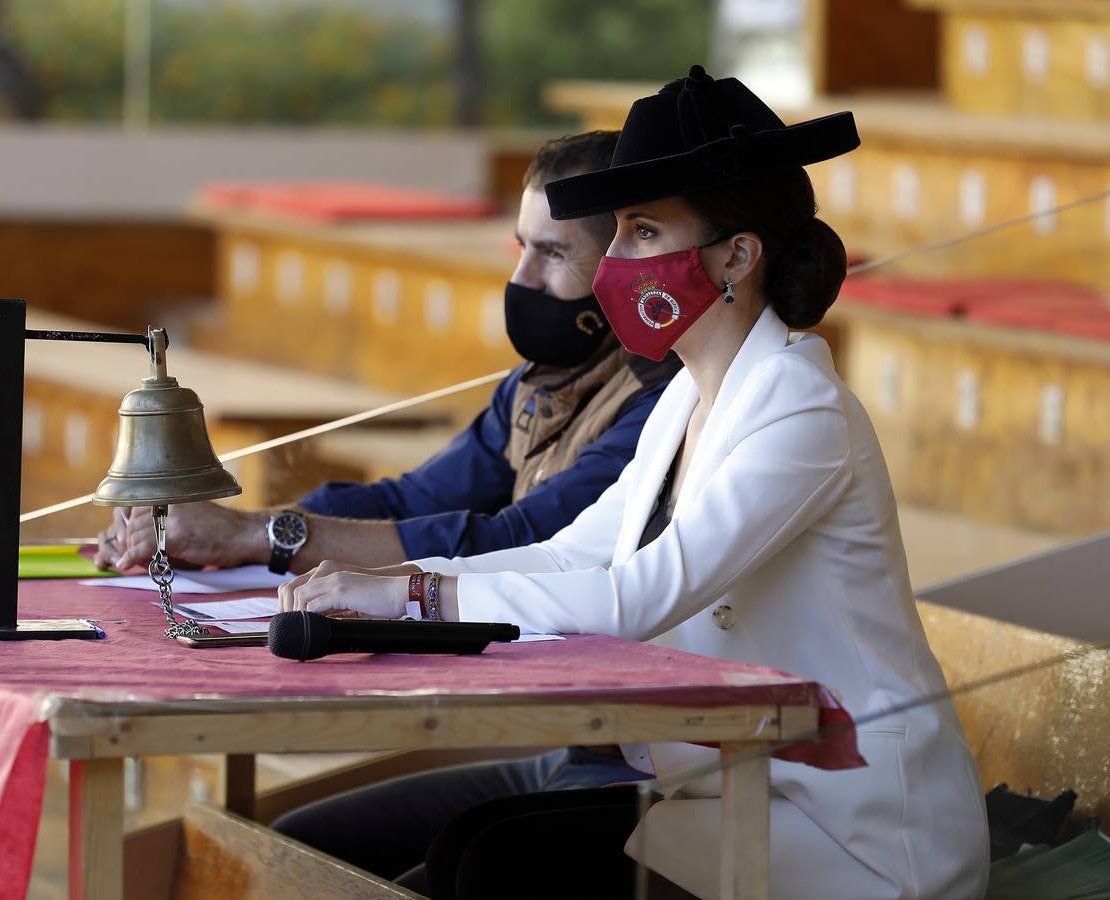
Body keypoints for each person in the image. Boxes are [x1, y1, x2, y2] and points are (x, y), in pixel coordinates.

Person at [277, 66, 989, 899]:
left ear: (736, 256)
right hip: (734, 790)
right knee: (474, 850)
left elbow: (639, 595)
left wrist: (410, 604)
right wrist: (394, 585)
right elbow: (569, 554)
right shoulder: (687, 392)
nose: (613, 260)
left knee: (494, 867)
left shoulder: (802, 408)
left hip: (852, 832)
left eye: (642, 232)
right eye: (615, 232)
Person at [95, 131, 681, 577]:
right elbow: (408, 500)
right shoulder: (537, 382)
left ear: (627, 267)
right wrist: (219, 532)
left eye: (552, 254)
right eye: (521, 248)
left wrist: (258, 536)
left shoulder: (659, 398)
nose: (521, 279)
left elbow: (519, 541)